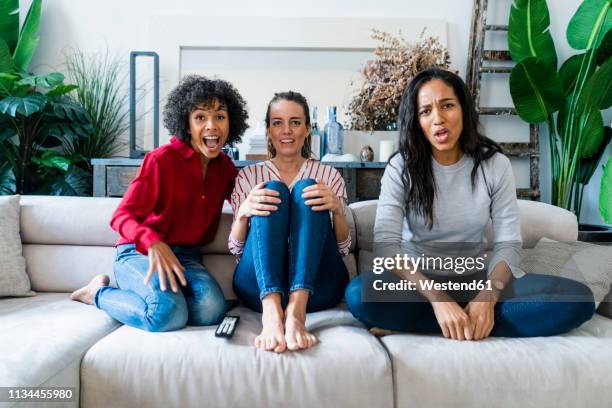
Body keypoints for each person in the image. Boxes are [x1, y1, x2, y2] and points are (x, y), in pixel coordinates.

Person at [345, 68, 595, 340]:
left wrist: (488, 296)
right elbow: (386, 245)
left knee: (579, 298)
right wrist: (439, 299)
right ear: (416, 121)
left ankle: (449, 321)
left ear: (463, 109)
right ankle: (460, 321)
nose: (438, 119)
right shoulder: (401, 167)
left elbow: (509, 244)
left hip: (476, 282)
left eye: (447, 105)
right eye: (425, 111)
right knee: (360, 294)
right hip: (419, 288)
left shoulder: (494, 165)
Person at [71, 75, 249, 332]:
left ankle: (164, 300)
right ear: (187, 124)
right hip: (139, 252)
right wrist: (152, 241)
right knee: (167, 315)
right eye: (200, 117)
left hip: (187, 258)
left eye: (220, 117)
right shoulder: (161, 160)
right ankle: (97, 293)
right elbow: (121, 216)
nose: (212, 126)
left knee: (211, 310)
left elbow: (246, 201)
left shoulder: (224, 168)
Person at [230, 91, 350, 353]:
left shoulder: (328, 175)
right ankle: (271, 312)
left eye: (295, 122)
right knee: (272, 188)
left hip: (319, 286)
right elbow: (237, 251)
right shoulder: (249, 176)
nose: (287, 130)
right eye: (277, 122)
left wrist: (338, 211)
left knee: (308, 188)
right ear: (268, 130)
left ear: (307, 129)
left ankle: (296, 311)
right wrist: (243, 213)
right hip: (258, 286)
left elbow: (342, 249)